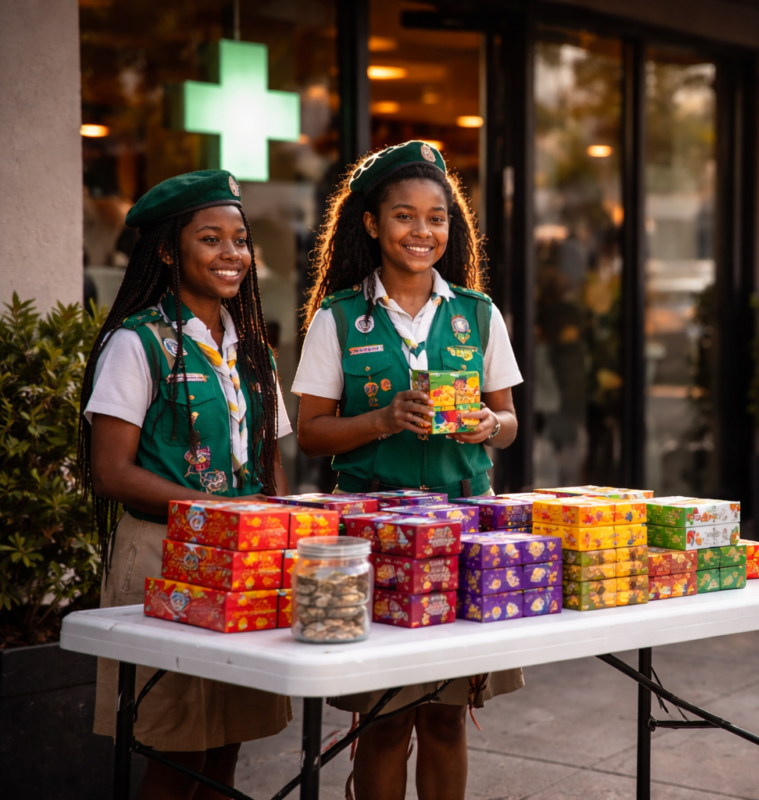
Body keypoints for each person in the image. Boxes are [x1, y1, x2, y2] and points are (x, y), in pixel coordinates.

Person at [293, 141, 524, 799]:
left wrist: (488, 425)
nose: (422, 232)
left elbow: (507, 421)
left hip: (463, 529)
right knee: (386, 720)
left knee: (448, 718)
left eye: (437, 218)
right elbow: (311, 435)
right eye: (404, 216)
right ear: (371, 223)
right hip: (374, 536)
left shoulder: (478, 313)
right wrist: (384, 420)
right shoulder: (339, 317)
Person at [80, 170, 293, 799]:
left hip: (244, 559)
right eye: (210, 238)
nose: (231, 254)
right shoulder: (135, 342)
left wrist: (276, 528)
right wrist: (218, 508)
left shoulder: (254, 346)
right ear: (171, 250)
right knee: (174, 753)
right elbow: (110, 471)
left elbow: (269, 463)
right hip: (163, 558)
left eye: (240, 239)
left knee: (227, 744)